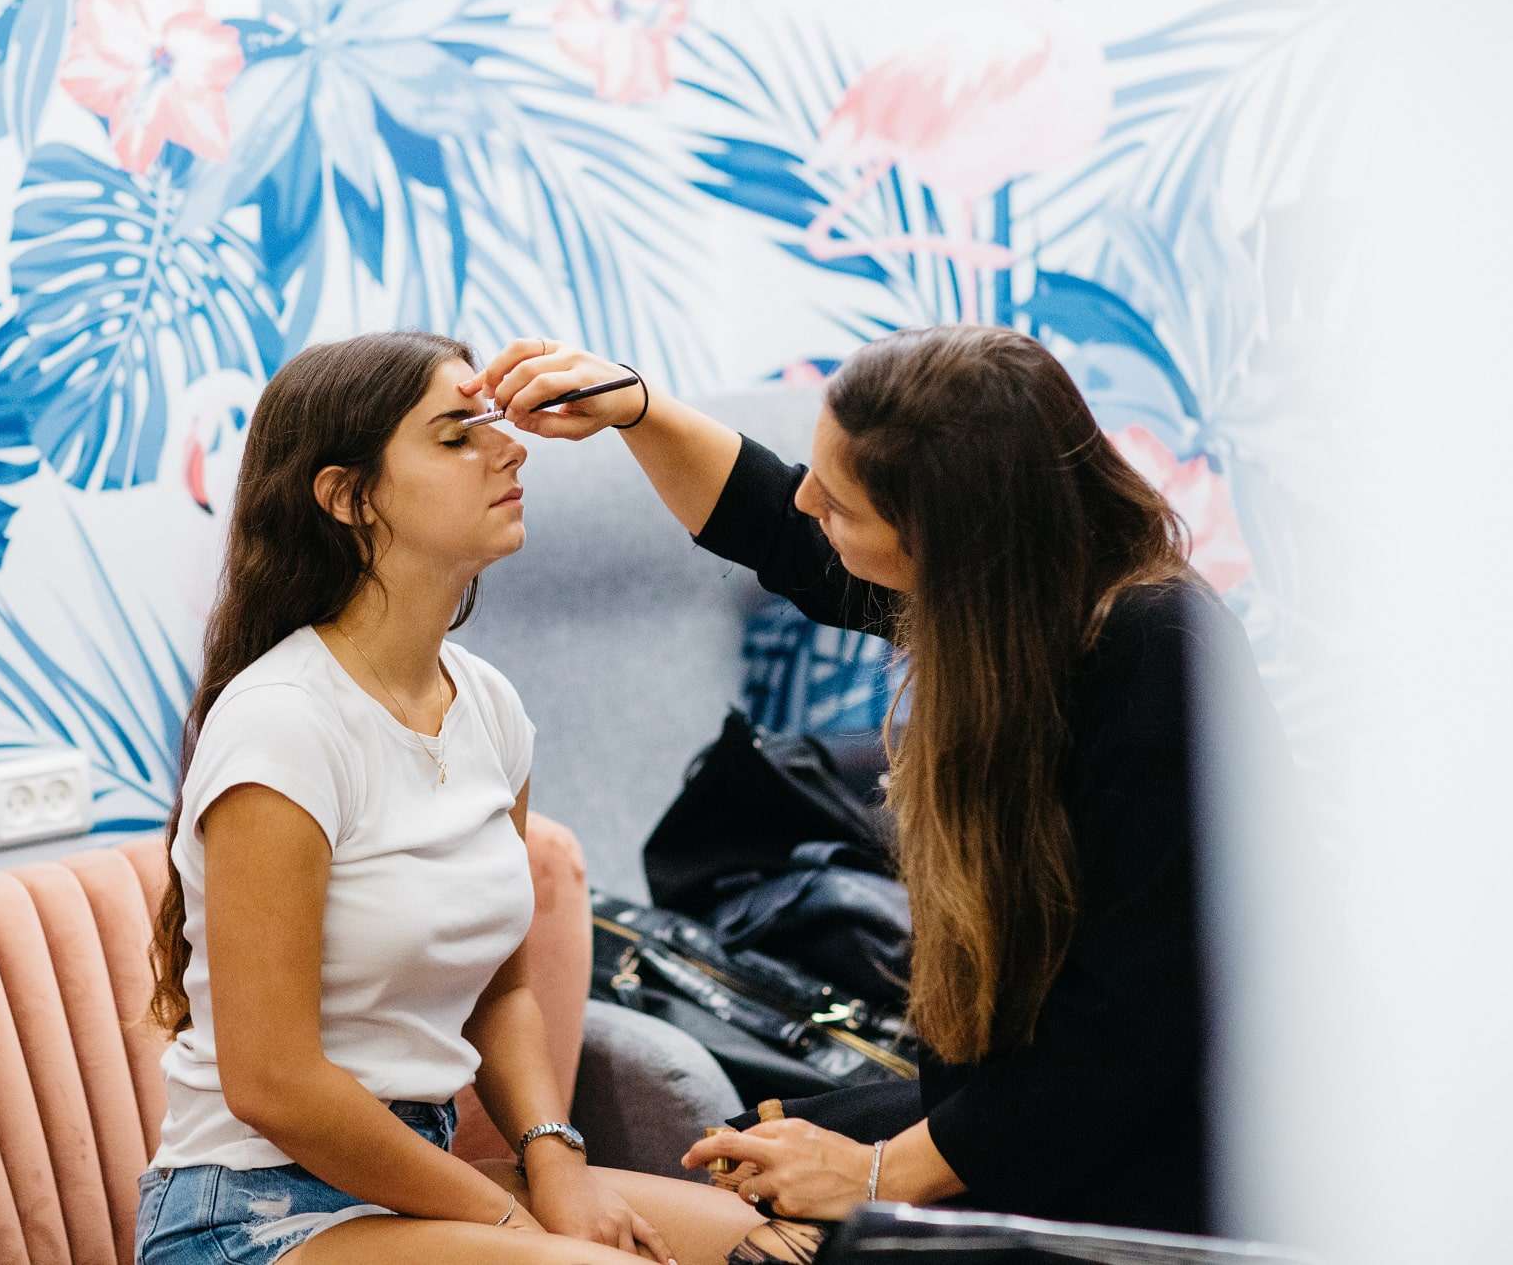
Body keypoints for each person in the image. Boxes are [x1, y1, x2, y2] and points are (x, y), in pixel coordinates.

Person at [467, 325, 1287, 1238]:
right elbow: (780, 523)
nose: (807, 500)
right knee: (734, 1159)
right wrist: (639, 410)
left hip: (1158, 1158)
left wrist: (875, 1173)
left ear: (947, 536)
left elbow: (1131, 1037)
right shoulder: (1014, 591)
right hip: (1030, 1100)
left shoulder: (1158, 655)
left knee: (757, 1226)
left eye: (841, 504)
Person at [137, 331, 766, 1265]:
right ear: (348, 496)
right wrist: (509, 1220)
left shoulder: (488, 703)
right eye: (456, 435)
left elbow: (504, 991)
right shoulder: (281, 721)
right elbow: (272, 1083)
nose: (511, 450)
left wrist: (556, 1159)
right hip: (249, 1212)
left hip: (414, 1184)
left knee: (792, 1247)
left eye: (494, 425)